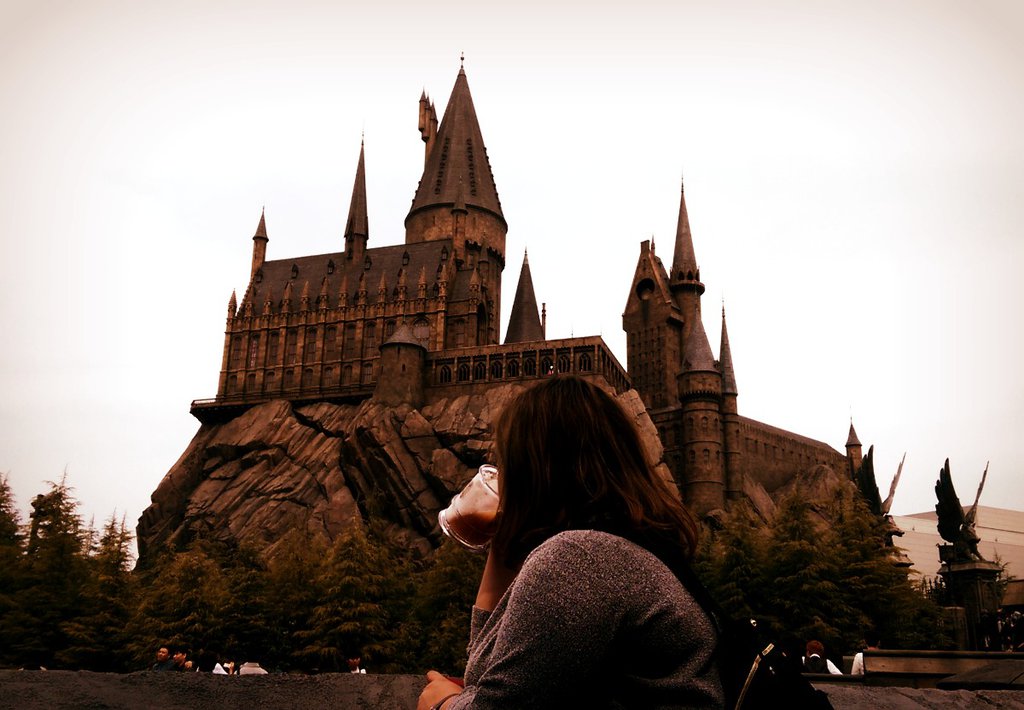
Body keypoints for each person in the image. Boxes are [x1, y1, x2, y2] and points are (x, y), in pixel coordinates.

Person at [418, 376, 723, 710]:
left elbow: (491, 703)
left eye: (508, 460)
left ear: (533, 466)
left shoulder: (579, 558)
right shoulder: (626, 551)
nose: (502, 474)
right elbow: (488, 677)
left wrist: (440, 703)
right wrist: (503, 542)